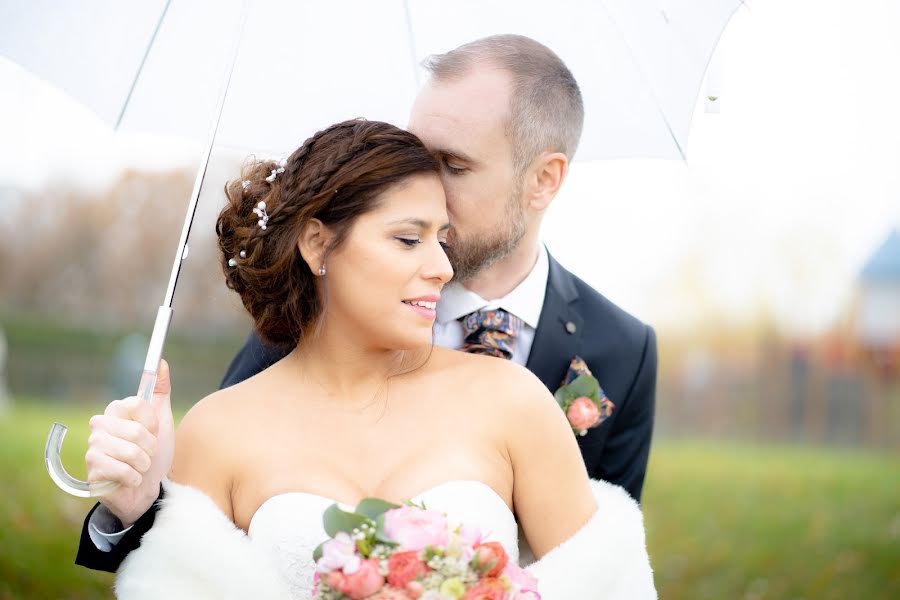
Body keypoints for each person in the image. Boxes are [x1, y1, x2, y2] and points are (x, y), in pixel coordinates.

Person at [75, 34, 657, 582]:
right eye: (408, 235)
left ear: (543, 180)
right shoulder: (308, 329)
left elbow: (599, 572)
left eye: (452, 165)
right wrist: (134, 508)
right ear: (318, 244)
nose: (419, 177)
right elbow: (187, 561)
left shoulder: (617, 354)